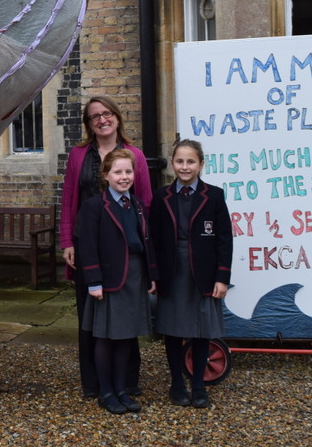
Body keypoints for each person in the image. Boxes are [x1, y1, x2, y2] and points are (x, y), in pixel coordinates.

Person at [59, 97, 152, 397]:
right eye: (94, 116)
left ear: (117, 117)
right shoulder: (77, 155)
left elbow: (146, 204)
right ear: (89, 124)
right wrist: (66, 242)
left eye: (106, 113)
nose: (101, 120)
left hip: (125, 249)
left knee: (126, 314)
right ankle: (94, 384)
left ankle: (126, 382)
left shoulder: (134, 155)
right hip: (87, 247)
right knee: (90, 315)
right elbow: (69, 199)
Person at [149, 139, 232, 409]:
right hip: (172, 272)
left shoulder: (215, 195)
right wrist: (153, 274)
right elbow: (154, 240)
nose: (185, 167)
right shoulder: (161, 197)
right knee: (173, 330)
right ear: (173, 163)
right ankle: (176, 384)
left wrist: (222, 277)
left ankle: (198, 385)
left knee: (200, 330)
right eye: (180, 161)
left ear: (201, 164)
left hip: (203, 273)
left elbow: (224, 239)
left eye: (191, 161)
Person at [74, 149, 158, 414]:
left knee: (126, 337)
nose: (124, 177)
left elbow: (147, 243)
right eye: (118, 172)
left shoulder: (138, 206)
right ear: (106, 175)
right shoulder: (94, 206)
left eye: (128, 172)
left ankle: (122, 389)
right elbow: (87, 246)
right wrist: (94, 281)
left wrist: (152, 275)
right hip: (108, 279)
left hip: (134, 276)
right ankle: (106, 392)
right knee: (106, 338)